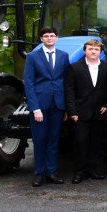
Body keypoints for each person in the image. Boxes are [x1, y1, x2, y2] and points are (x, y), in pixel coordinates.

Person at [64, 38, 107, 184]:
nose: (93, 52)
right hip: (80, 112)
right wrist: (72, 111)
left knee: (95, 142)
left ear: (100, 52)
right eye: (90, 49)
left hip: (99, 112)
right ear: (85, 51)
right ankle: (79, 171)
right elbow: (70, 90)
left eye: (96, 49)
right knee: (80, 141)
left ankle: (92, 169)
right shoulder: (74, 67)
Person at [25, 27, 69, 187]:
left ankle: (51, 171)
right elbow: (29, 83)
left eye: (52, 36)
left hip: (57, 104)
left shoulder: (64, 56)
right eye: (46, 36)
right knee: (39, 139)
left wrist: (65, 108)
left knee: (53, 139)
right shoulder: (32, 57)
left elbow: (66, 81)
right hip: (40, 105)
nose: (49, 38)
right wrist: (35, 108)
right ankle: (39, 173)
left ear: (57, 38)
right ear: (41, 38)